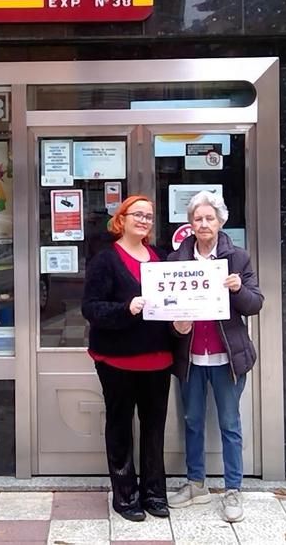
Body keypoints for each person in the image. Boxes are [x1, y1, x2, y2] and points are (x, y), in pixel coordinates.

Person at [168, 191, 264, 523]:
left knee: (229, 424)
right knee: (192, 421)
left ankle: (233, 489)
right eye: (198, 218)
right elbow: (164, 309)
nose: (204, 224)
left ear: (220, 221)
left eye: (210, 218)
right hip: (191, 357)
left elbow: (255, 304)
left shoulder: (238, 258)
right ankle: (196, 484)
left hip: (227, 358)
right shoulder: (176, 261)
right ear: (190, 224)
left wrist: (238, 289)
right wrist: (176, 327)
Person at [81, 195, 174, 522]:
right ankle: (125, 496)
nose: (144, 220)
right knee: (120, 428)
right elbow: (90, 308)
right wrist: (126, 308)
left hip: (159, 359)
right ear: (121, 219)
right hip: (117, 360)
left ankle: (154, 493)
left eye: (149, 216)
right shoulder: (105, 260)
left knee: (154, 429)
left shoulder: (161, 258)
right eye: (138, 214)